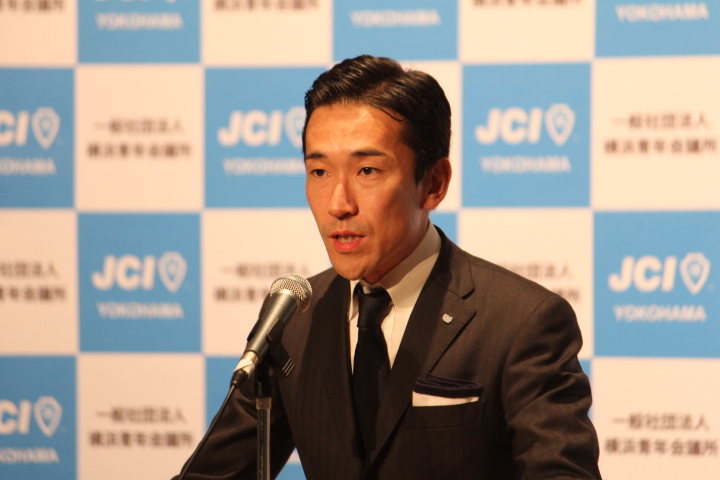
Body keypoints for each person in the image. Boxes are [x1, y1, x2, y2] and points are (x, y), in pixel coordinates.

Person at [174, 55, 601, 480]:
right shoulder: (294, 318)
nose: (338, 204)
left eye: (367, 170)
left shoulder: (521, 322)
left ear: (433, 184)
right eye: (319, 171)